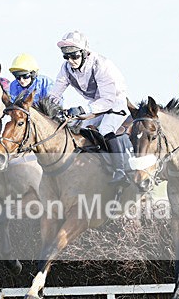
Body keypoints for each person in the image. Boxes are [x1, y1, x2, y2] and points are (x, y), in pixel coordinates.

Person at [47, 30, 133, 184]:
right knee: (81, 130)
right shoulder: (66, 68)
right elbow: (54, 94)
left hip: (115, 102)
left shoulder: (100, 65)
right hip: (96, 103)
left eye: (74, 56)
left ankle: (120, 170)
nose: (70, 60)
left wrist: (81, 110)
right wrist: (48, 109)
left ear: (84, 53)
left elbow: (107, 100)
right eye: (66, 56)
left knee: (105, 129)